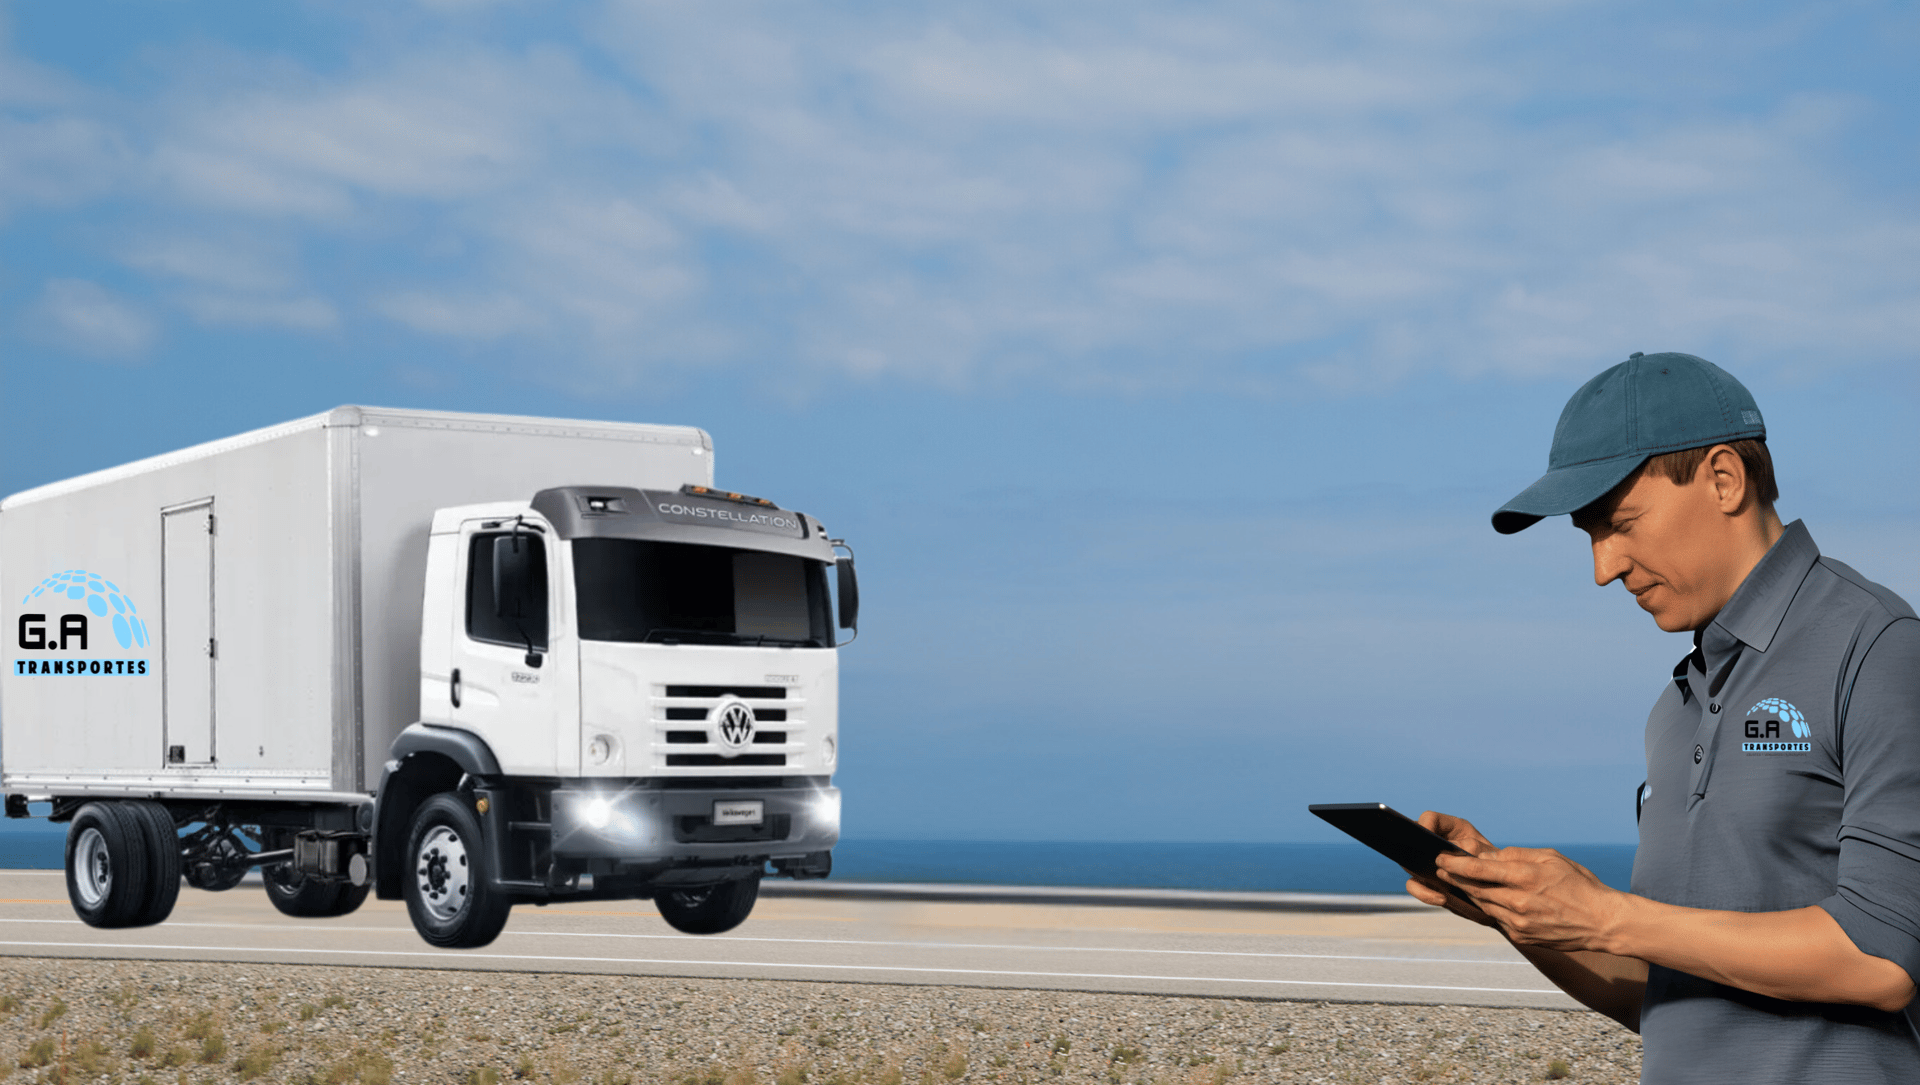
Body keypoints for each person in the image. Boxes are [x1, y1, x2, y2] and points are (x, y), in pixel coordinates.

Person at [1408, 352, 1920, 1083]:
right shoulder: (1674, 709)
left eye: (1620, 523)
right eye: (1589, 535)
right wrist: (1520, 911)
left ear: (1723, 479)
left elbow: (1882, 955)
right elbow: (1669, 994)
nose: (1602, 566)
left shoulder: (1878, 647)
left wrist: (1607, 913)